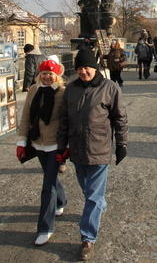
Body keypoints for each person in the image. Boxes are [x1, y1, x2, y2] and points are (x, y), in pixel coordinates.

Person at [58, 50, 128, 261]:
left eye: (86, 67)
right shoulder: (70, 89)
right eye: (79, 68)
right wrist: (61, 146)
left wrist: (122, 144)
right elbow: (63, 120)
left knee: (93, 196)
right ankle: (98, 206)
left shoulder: (109, 88)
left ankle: (88, 238)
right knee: (87, 189)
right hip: (77, 149)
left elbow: (120, 118)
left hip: (99, 148)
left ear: (95, 67)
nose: (83, 71)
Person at [16, 59, 67, 246]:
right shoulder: (33, 90)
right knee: (50, 177)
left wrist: (66, 146)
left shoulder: (63, 93)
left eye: (50, 73)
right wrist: (21, 141)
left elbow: (66, 120)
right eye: (44, 73)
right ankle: (61, 201)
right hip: (38, 143)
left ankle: (45, 228)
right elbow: (26, 117)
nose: (47, 77)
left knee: (47, 187)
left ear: (57, 76)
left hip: (55, 144)